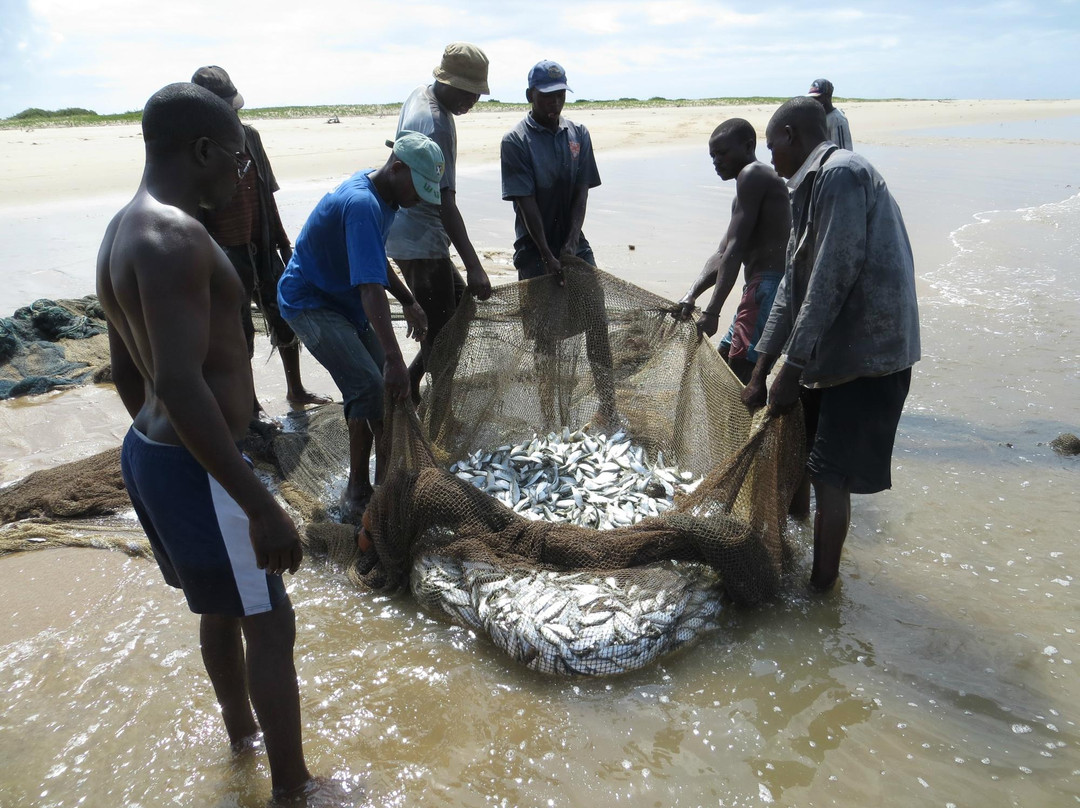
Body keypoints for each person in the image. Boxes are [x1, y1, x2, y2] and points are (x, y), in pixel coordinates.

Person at [96, 83, 317, 800]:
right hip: (201, 465)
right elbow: (179, 381)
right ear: (201, 151)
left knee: (221, 608)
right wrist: (256, 502)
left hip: (154, 452)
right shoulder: (177, 239)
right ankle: (294, 789)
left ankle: (243, 738)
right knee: (270, 620)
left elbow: (129, 373)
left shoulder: (122, 229)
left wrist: (161, 443)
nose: (240, 173)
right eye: (236, 157)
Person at [745, 96, 920, 591]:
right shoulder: (807, 186)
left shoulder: (841, 174)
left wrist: (792, 367)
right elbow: (792, 284)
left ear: (791, 135)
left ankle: (821, 592)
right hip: (833, 350)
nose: (771, 157)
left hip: (869, 357)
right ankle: (795, 543)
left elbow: (831, 277)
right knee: (802, 452)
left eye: (772, 145)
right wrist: (762, 369)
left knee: (830, 476)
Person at [277, 132, 436, 523]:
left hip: (343, 299)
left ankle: (380, 482)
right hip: (310, 302)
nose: (421, 198)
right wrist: (394, 358)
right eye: (419, 188)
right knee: (369, 386)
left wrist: (409, 301)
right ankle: (359, 492)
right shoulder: (363, 203)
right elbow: (369, 287)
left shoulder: (385, 195)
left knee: (383, 391)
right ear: (397, 167)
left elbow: (372, 259)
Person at [191, 65, 329, 413]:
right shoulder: (198, 150)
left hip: (262, 245)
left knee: (284, 316)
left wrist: (282, 242)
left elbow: (266, 192)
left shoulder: (250, 137)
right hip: (224, 254)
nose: (233, 116)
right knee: (239, 334)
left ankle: (295, 389)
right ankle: (250, 407)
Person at [500, 59, 616, 426]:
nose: (554, 103)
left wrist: (570, 243)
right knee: (544, 336)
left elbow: (582, 192)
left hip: (574, 245)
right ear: (530, 95)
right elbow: (526, 203)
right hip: (534, 251)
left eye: (560, 95)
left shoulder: (578, 133)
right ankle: (549, 416)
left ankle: (608, 407)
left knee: (597, 321)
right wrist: (548, 255)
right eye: (546, 96)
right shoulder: (516, 141)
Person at [385, 43, 493, 404]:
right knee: (442, 337)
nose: (472, 101)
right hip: (420, 241)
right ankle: (438, 416)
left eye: (477, 94)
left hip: (410, 234)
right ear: (446, 81)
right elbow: (446, 203)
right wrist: (475, 266)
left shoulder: (419, 93)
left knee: (456, 315)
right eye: (467, 92)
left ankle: (413, 385)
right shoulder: (436, 124)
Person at [675, 118, 792, 384]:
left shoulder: (754, 174)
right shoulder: (743, 194)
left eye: (722, 153)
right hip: (757, 290)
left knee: (740, 376)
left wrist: (713, 312)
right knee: (724, 368)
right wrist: (692, 294)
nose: (716, 161)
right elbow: (722, 254)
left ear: (748, 146)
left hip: (767, 290)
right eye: (712, 156)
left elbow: (735, 249)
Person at [807, 78, 853, 151]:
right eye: (812, 98)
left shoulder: (837, 120)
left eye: (817, 98)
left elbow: (843, 151)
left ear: (827, 96)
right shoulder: (818, 117)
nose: (814, 101)